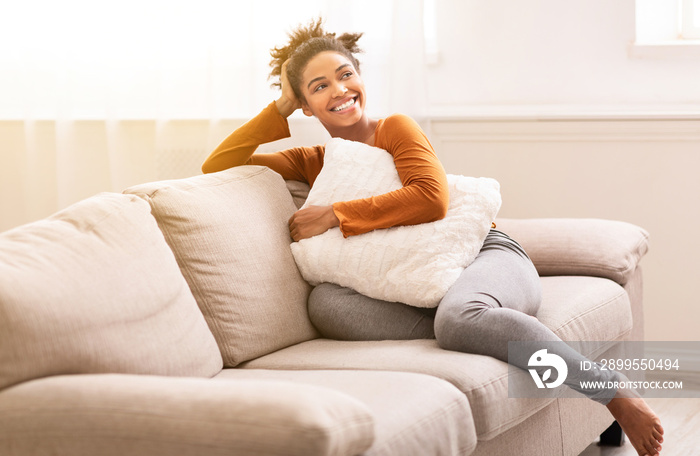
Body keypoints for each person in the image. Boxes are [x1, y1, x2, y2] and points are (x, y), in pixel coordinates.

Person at [201, 18, 664, 456]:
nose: (340, 91)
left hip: (485, 257)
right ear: (304, 104)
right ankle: (475, 325)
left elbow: (429, 198)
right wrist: (278, 106)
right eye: (320, 87)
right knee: (325, 304)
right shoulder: (314, 160)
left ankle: (609, 391)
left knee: (458, 319)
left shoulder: (394, 128)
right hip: (416, 286)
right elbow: (217, 165)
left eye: (345, 75)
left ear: (361, 75)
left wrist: (335, 215)